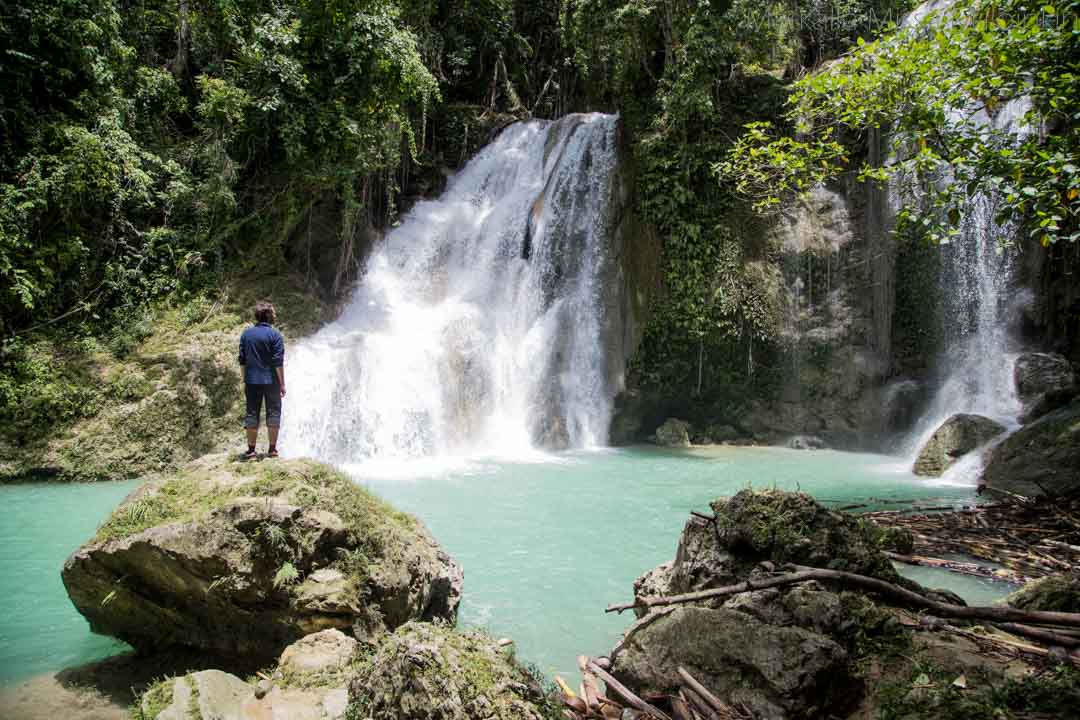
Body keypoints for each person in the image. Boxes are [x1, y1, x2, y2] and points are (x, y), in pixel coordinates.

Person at [239, 300, 286, 458]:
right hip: (271, 380)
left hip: (252, 380)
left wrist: (244, 379)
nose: (275, 314)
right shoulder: (275, 335)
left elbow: (242, 360)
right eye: (273, 312)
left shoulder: (247, 334)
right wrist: (282, 384)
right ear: (267, 315)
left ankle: (251, 450)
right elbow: (278, 362)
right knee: (273, 412)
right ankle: (272, 450)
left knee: (251, 413)